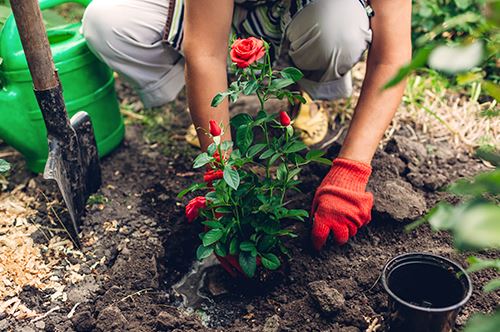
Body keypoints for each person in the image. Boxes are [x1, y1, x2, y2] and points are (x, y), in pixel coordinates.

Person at [82, 0, 412, 249]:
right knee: (108, 22)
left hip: (308, 16)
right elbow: (206, 52)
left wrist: (351, 171)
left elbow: (392, 58)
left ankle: (299, 97)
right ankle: (213, 109)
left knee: (338, 28)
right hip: (216, 12)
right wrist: (219, 174)